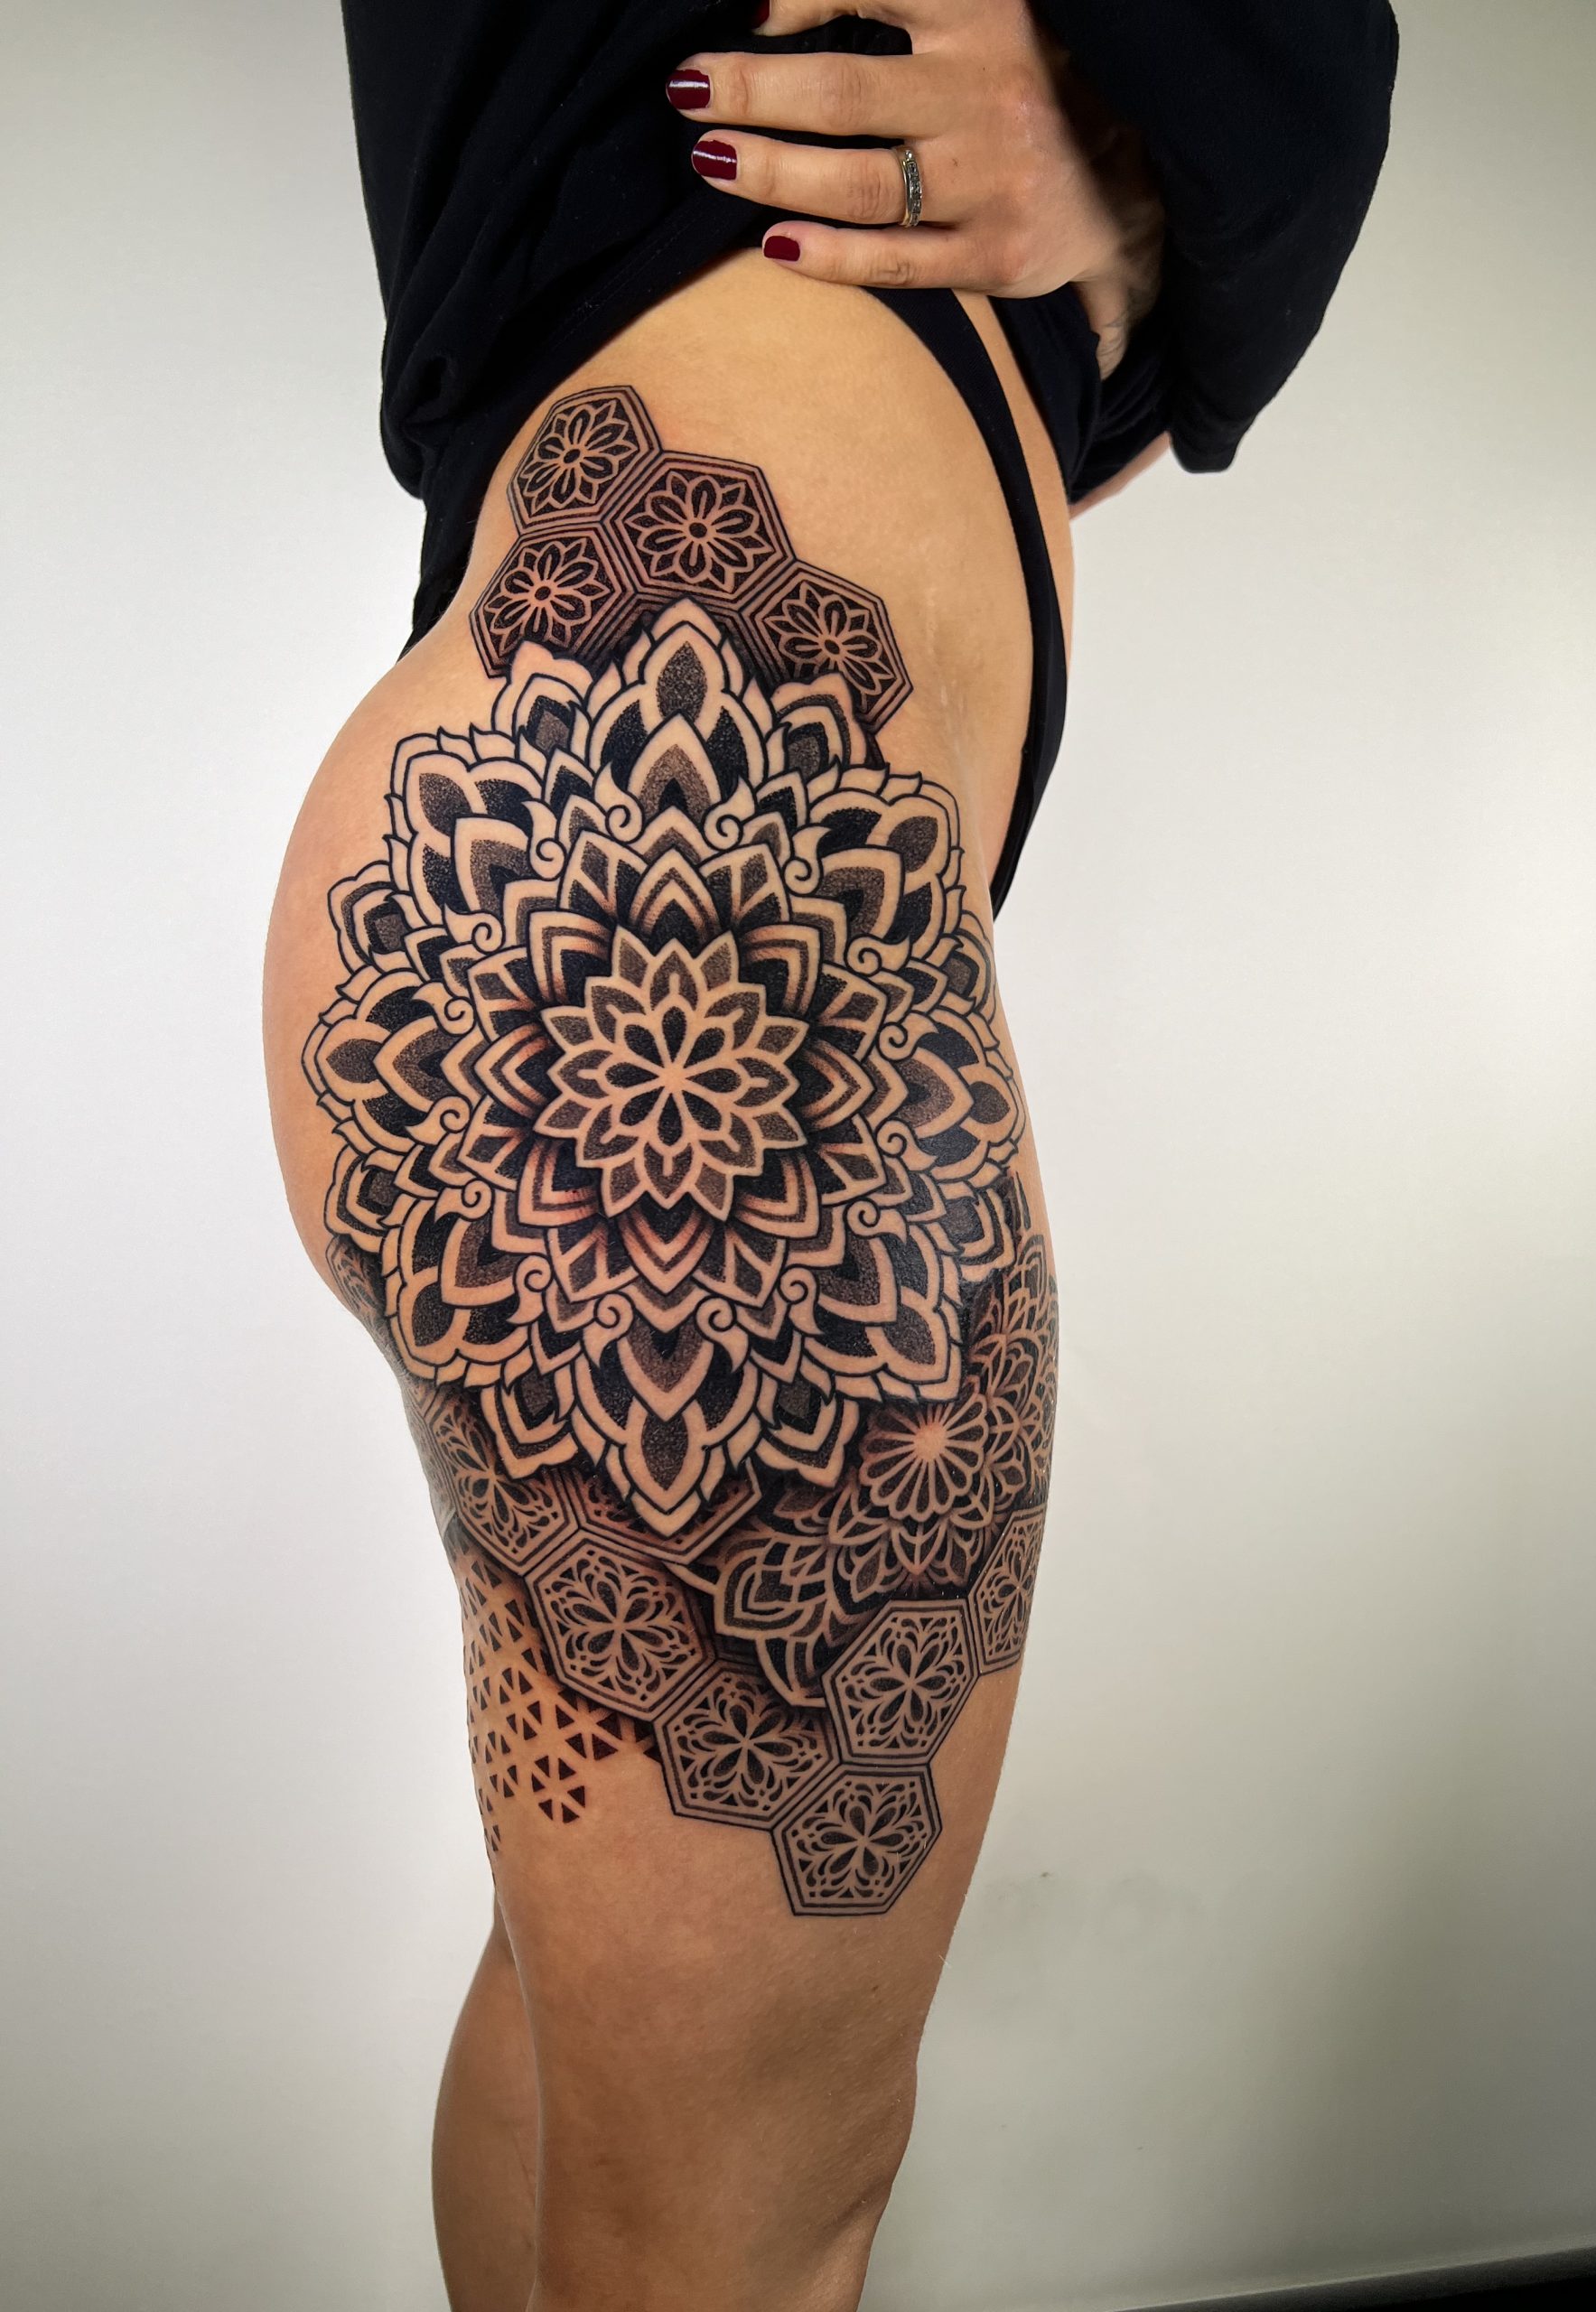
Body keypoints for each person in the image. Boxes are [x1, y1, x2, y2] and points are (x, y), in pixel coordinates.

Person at [263, 4, 1397, 2305]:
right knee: (754, 2225)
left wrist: (1150, 146)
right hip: (699, 906)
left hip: (595, 836)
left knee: (609, 2069)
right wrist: (1205, 95)